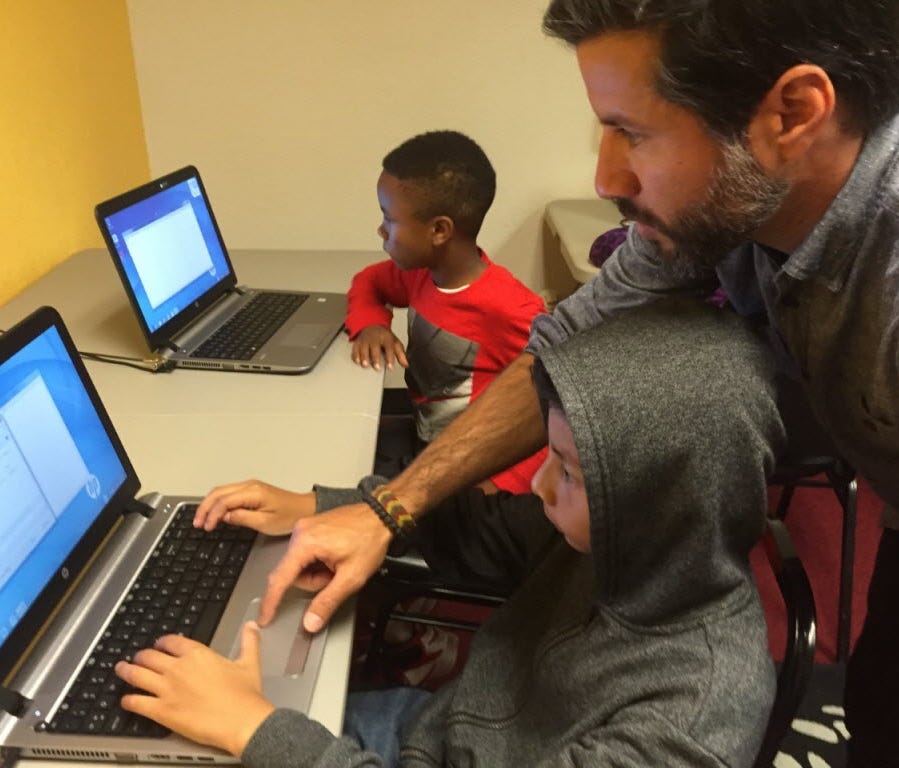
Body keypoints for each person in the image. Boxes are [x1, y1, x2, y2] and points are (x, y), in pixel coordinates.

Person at [212, 4, 899, 765]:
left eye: (633, 133)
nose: (605, 177)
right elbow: (555, 356)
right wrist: (383, 508)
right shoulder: (718, 211)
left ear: (792, 113)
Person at [117, 302, 785, 767]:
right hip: (439, 732)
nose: (540, 486)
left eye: (573, 474)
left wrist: (253, 727)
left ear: (663, 500)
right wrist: (321, 505)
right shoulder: (621, 541)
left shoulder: (689, 719)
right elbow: (474, 528)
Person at [347, 129, 547, 494]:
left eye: (389, 219)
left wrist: (500, 484)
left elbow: (553, 406)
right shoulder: (420, 274)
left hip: (472, 479)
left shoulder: (511, 308)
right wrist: (372, 324)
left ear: (439, 230)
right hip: (425, 448)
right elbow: (367, 283)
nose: (380, 229)